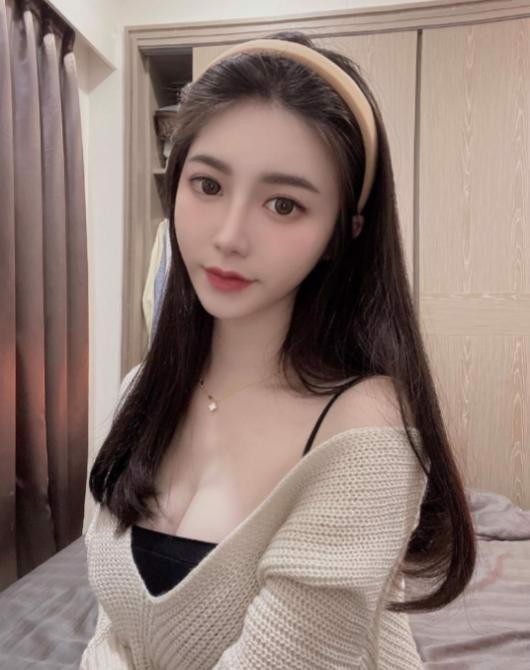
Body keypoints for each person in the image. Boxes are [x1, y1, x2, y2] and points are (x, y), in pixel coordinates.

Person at [80, 30, 476, 669]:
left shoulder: (367, 430)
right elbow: (113, 628)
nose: (230, 236)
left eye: (284, 204)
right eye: (208, 186)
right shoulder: (138, 394)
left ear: (341, 234)